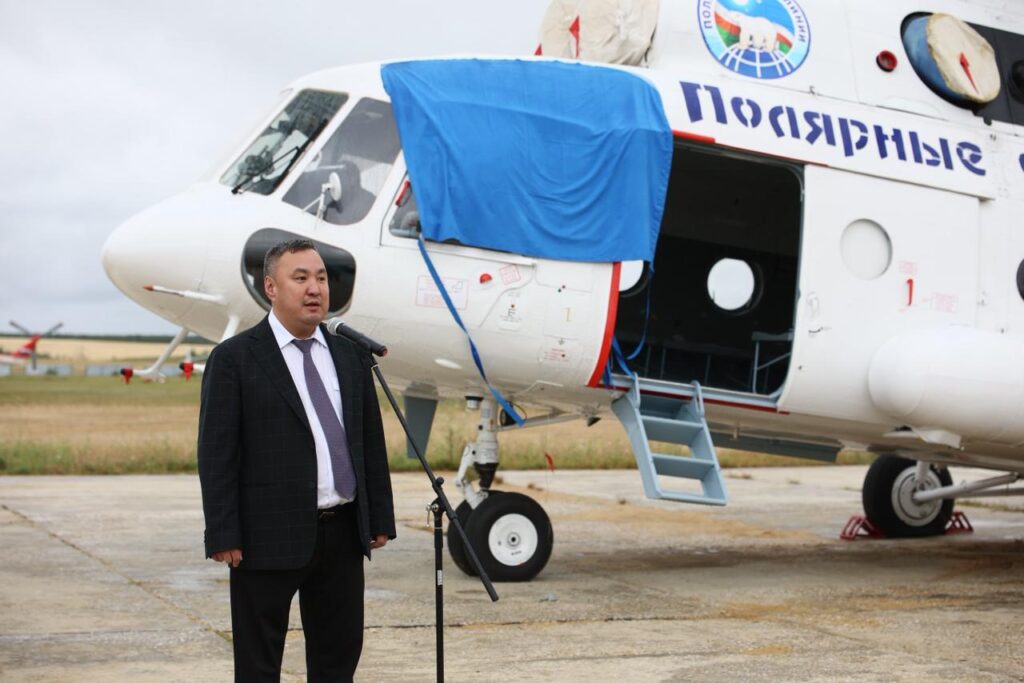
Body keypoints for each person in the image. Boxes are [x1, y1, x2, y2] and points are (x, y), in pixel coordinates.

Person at [198, 238, 395, 682]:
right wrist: (224, 532)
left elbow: (369, 441)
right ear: (270, 287)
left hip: (342, 533)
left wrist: (378, 516)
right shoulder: (235, 358)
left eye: (321, 278)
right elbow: (216, 454)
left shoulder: (350, 355)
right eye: (301, 278)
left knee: (337, 661)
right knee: (258, 664)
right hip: (264, 536)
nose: (315, 289)